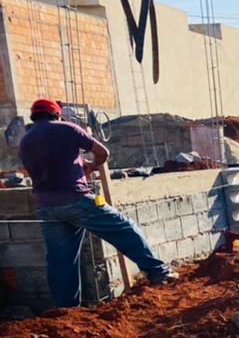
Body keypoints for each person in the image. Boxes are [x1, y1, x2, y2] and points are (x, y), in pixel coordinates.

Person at [18, 99, 175, 308]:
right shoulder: (68, 128)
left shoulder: (25, 141)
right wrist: (91, 165)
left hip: (46, 207)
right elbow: (103, 153)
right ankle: (159, 272)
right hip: (76, 198)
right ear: (56, 114)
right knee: (124, 229)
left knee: (61, 260)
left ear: (34, 117)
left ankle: (66, 309)